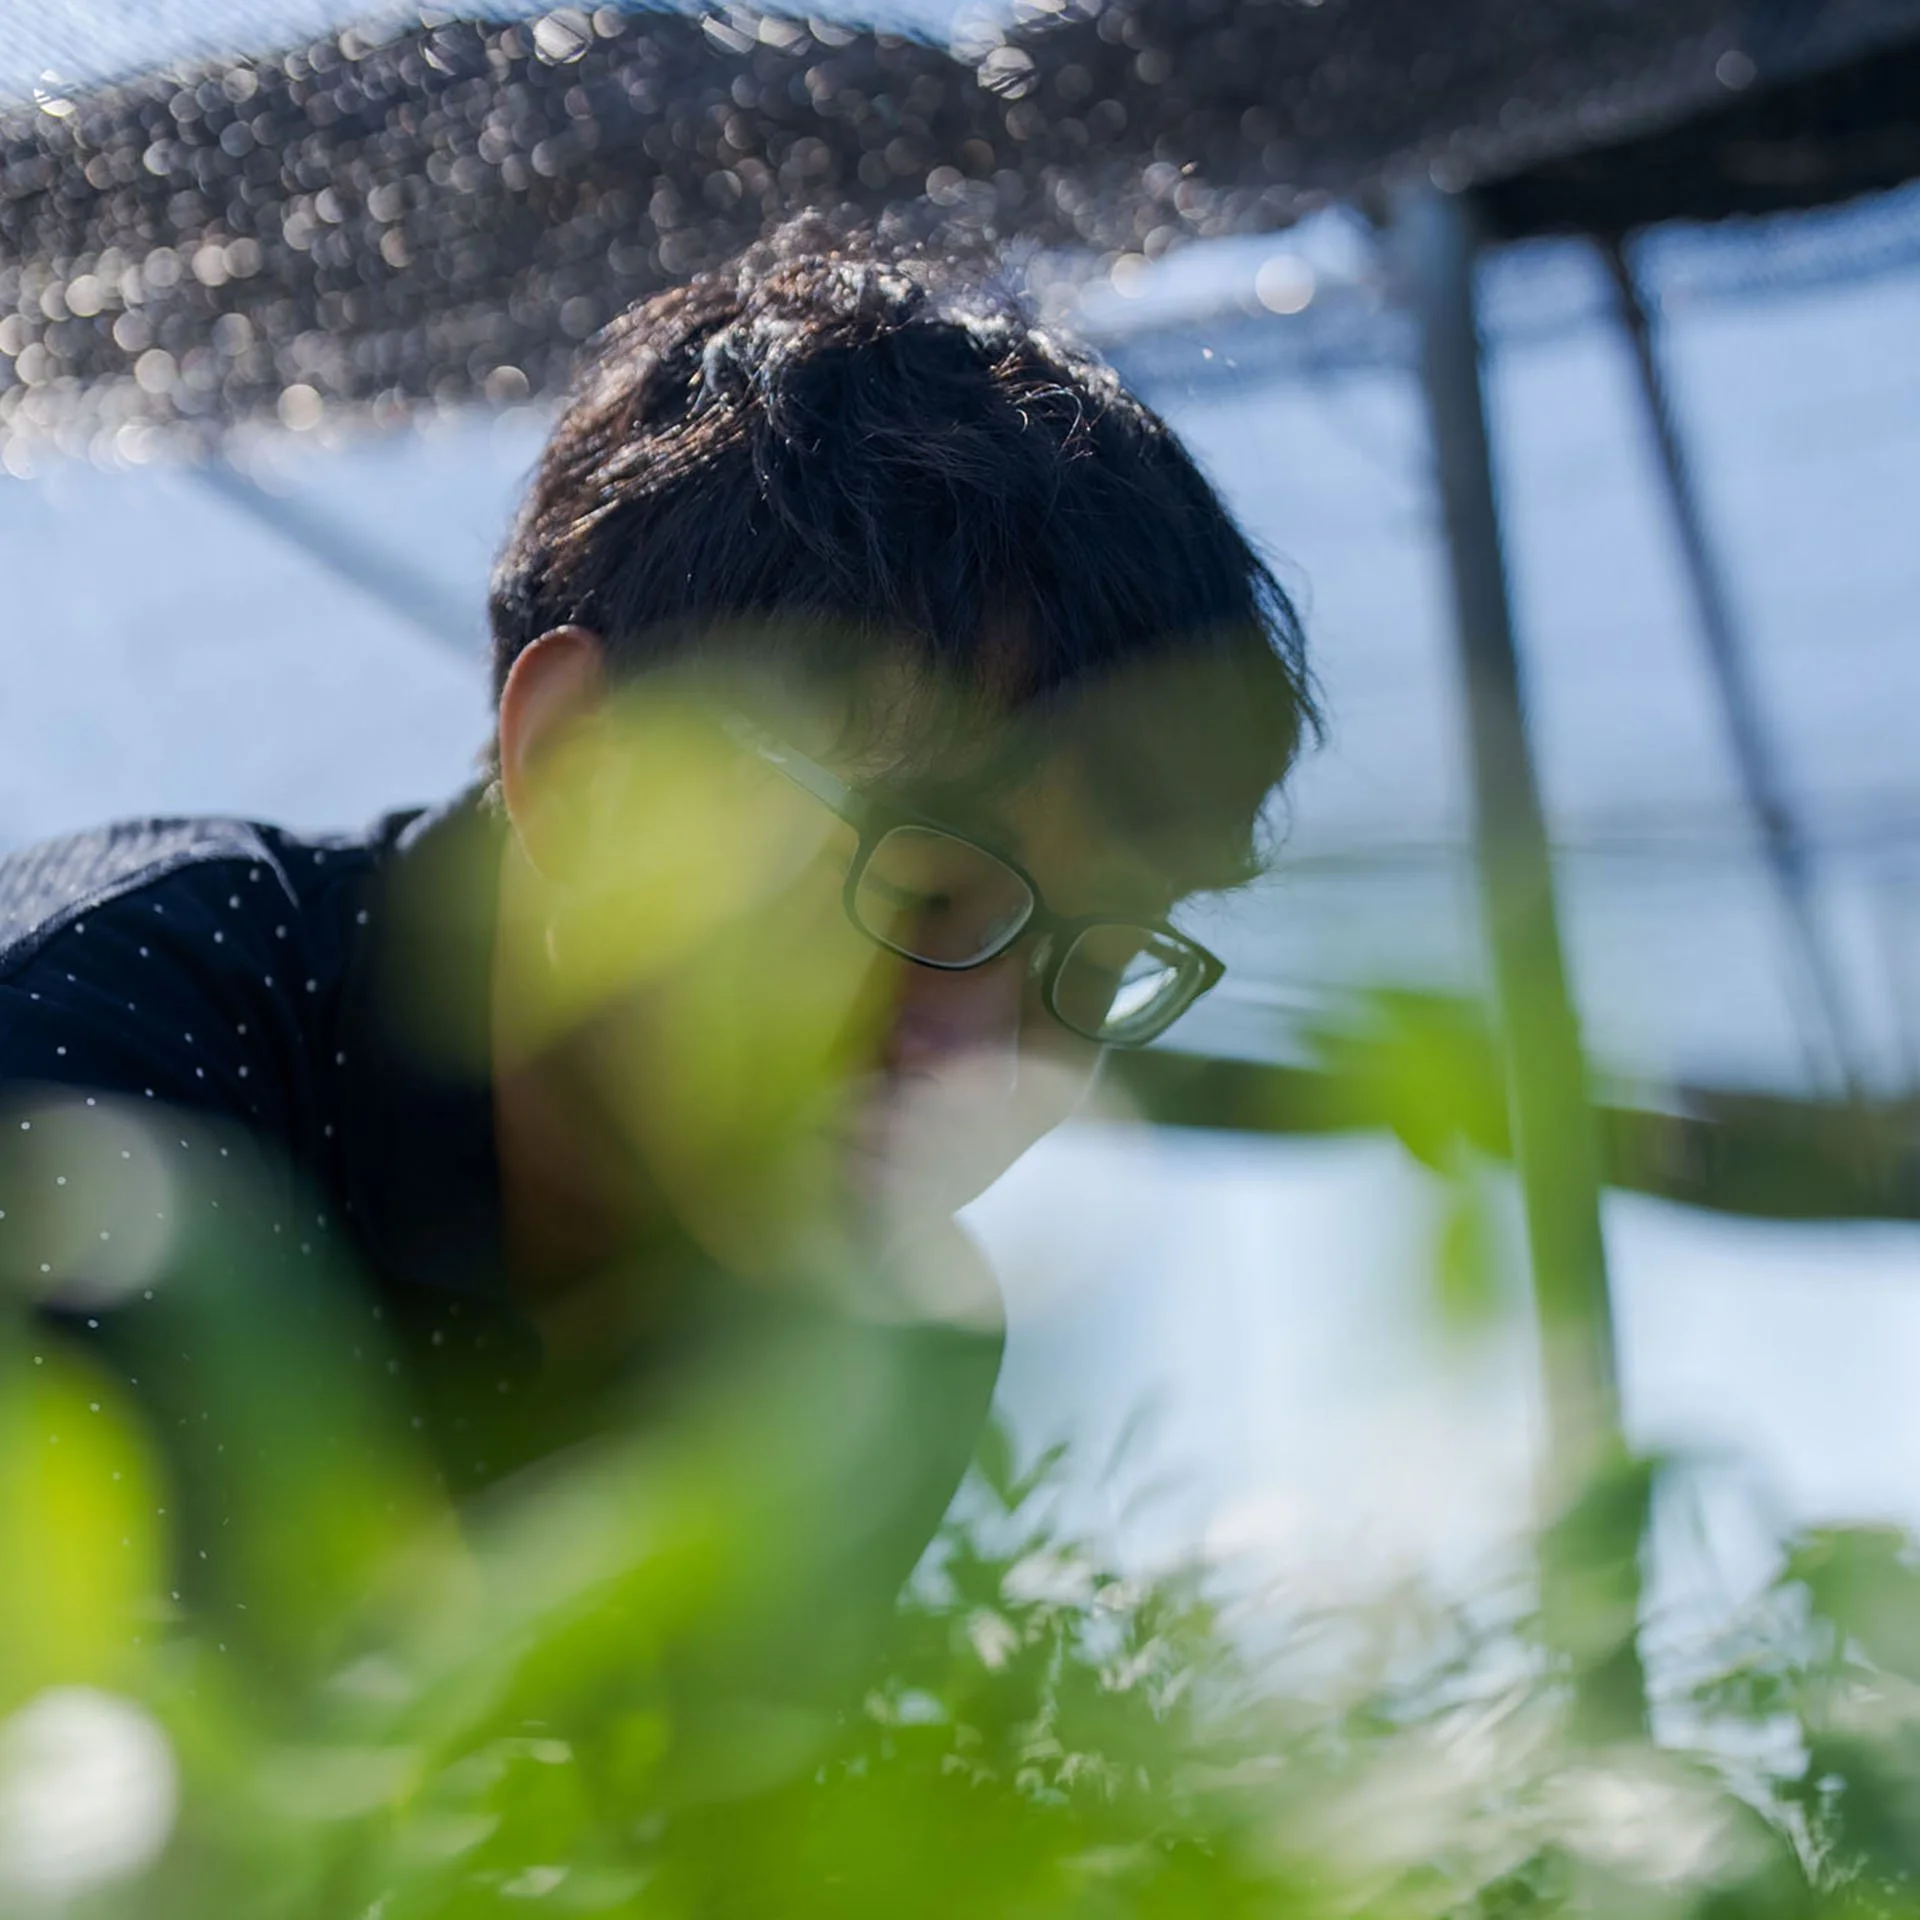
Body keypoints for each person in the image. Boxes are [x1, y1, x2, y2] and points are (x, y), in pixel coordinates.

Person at [0, 224, 1313, 1652]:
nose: (981, 1060)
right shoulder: (86, 1097)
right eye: (924, 893)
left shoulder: (884, 1353)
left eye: (1097, 962)